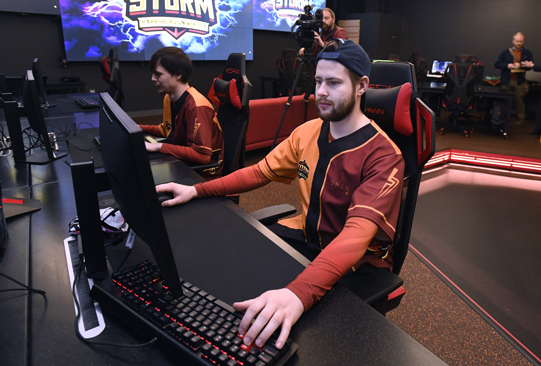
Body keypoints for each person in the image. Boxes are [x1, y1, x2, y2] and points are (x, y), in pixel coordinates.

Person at [156, 39, 405, 350]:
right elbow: (259, 172)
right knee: (225, 268)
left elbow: (356, 236)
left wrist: (297, 295)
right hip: (307, 238)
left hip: (357, 264)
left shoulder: (384, 156)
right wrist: (196, 189)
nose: (321, 91)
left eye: (334, 82)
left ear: (361, 86)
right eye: (318, 81)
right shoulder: (308, 131)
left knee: (286, 338)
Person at [139, 46, 224, 178]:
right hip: (182, 160)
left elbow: (203, 156)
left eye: (158, 74)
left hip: (204, 173)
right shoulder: (169, 98)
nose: (153, 79)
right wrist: (136, 128)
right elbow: (167, 130)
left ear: (178, 74)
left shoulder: (197, 106)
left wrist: (158, 146)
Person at [494, 32, 537, 128]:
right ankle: (501, 119)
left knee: (519, 102)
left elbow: (531, 67)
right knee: (504, 102)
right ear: (513, 41)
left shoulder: (527, 53)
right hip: (506, 80)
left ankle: (520, 121)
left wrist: (521, 65)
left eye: (521, 41)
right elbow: (497, 64)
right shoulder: (505, 52)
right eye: (517, 41)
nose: (519, 43)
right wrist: (507, 65)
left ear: (523, 41)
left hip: (519, 81)